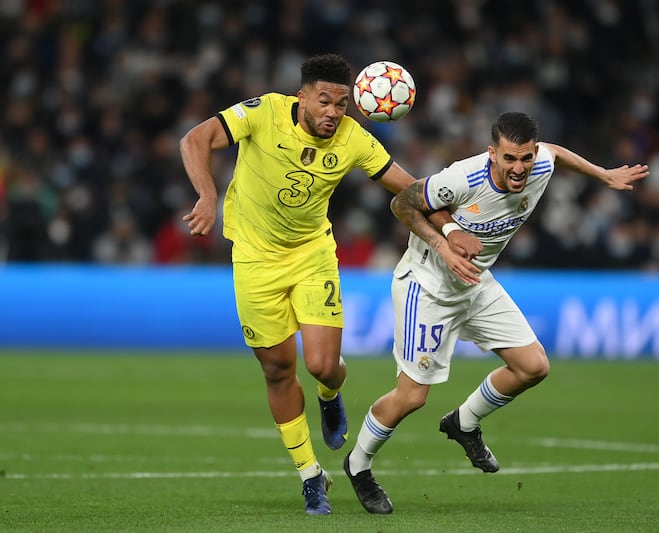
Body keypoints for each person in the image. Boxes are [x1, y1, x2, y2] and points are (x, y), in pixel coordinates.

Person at [178, 53, 475, 515]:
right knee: (277, 370)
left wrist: (451, 229)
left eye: (342, 104)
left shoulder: (354, 139)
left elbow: (410, 186)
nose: (333, 113)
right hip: (254, 260)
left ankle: (330, 396)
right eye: (324, 101)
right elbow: (196, 138)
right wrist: (207, 193)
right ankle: (311, 475)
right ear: (302, 98)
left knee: (320, 366)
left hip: (312, 256)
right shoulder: (263, 113)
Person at [342, 111, 649, 514]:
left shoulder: (541, 162)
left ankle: (463, 423)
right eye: (509, 159)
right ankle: (359, 464)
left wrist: (603, 175)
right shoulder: (463, 178)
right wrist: (446, 243)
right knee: (412, 396)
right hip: (428, 286)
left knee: (533, 366)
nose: (519, 168)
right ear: (492, 154)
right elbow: (402, 203)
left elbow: (556, 152)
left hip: (476, 283)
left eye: (525, 157)